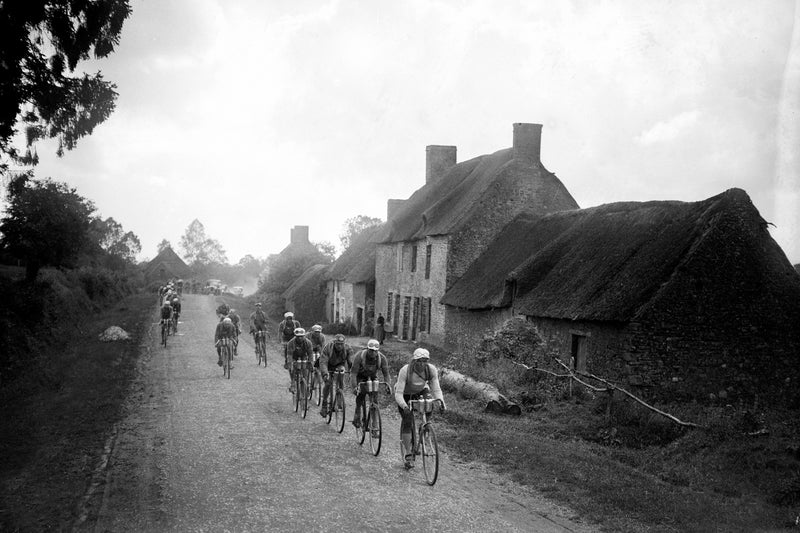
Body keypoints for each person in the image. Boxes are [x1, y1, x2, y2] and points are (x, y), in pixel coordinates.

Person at [394, 347, 446, 469]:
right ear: (414, 361)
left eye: (425, 361)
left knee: (429, 403)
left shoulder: (431, 369)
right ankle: (408, 452)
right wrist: (404, 406)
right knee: (407, 419)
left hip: (421, 390)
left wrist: (441, 402)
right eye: (419, 361)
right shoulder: (405, 370)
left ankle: (424, 427)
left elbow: (436, 389)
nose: (422, 364)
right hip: (405, 394)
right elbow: (398, 393)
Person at [350, 339, 392, 428]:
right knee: (360, 395)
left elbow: (386, 374)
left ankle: (374, 423)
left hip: (373, 377)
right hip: (360, 376)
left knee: (374, 399)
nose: (373, 353)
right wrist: (354, 387)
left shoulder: (382, 358)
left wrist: (388, 385)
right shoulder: (359, 356)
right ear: (367, 349)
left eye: (375, 351)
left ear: (378, 351)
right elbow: (353, 373)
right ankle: (357, 414)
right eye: (371, 350)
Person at [318, 334, 354, 417]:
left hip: (339, 365)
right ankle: (324, 404)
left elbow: (351, 362)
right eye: (337, 344)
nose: (339, 346)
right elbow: (323, 362)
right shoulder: (328, 348)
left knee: (341, 373)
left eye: (341, 344)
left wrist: (352, 372)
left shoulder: (348, 349)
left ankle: (339, 398)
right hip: (328, 365)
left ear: (344, 344)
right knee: (328, 383)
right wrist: (325, 373)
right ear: (334, 343)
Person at [286, 327, 313, 392]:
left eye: (301, 336)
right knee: (291, 367)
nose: (300, 338)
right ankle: (293, 382)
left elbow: (310, 354)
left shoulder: (308, 343)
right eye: (298, 336)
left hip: (303, 356)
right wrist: (290, 363)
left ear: (304, 336)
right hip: (294, 356)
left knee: (306, 370)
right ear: (295, 336)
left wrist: (310, 362)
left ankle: (305, 384)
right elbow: (289, 355)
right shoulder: (290, 343)